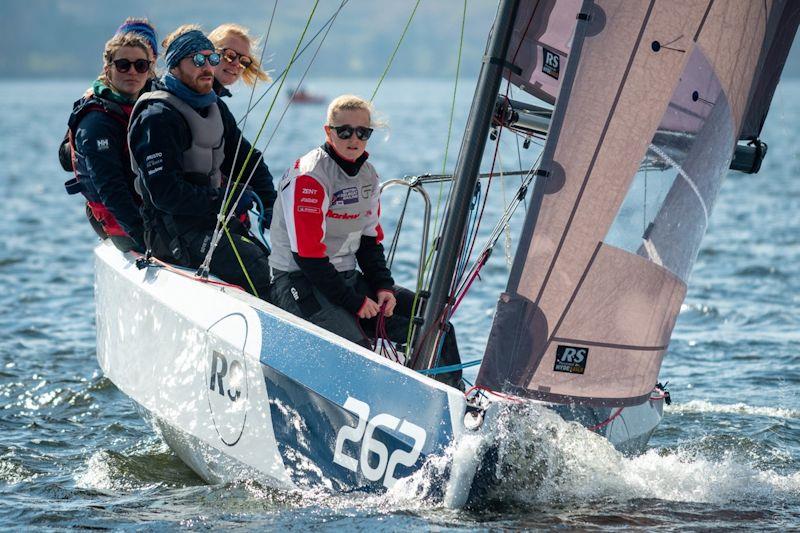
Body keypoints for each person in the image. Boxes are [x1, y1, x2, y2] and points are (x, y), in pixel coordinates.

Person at [268, 95, 463, 388]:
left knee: (435, 321)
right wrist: (354, 302)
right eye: (344, 131)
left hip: (346, 279)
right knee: (356, 352)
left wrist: (383, 286)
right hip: (298, 281)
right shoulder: (309, 176)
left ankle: (451, 396)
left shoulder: (368, 176)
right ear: (328, 132)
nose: (353, 138)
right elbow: (308, 257)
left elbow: (370, 242)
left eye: (363, 132)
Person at [128, 25, 275, 299]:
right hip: (172, 232)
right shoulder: (157, 116)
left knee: (278, 265)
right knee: (258, 270)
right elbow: (164, 193)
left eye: (211, 59)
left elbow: (248, 159)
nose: (207, 67)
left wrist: (270, 203)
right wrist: (225, 200)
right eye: (197, 60)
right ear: (175, 66)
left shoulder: (215, 107)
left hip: (210, 223)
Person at [62, 23, 158, 252]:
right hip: (125, 227)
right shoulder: (96, 122)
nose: (132, 71)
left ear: (149, 69)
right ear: (108, 70)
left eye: (140, 65)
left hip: (152, 216)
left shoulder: (150, 105)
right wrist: (146, 240)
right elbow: (111, 188)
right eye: (123, 65)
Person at [208, 23, 270, 97]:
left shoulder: (212, 99)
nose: (236, 63)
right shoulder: (196, 95)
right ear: (209, 52)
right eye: (230, 55)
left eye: (243, 61)